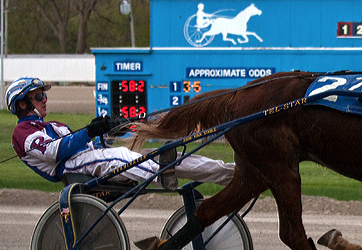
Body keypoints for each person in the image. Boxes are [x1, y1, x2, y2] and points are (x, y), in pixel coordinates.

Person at [6, 76, 235, 188]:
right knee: (122, 157)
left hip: (87, 160)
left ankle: (230, 174)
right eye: (38, 96)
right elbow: (54, 152)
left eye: (43, 95)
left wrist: (111, 130)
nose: (44, 99)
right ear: (22, 104)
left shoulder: (52, 125)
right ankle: (161, 175)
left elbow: (91, 147)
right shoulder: (23, 132)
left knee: (173, 155)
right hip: (69, 168)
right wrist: (89, 131)